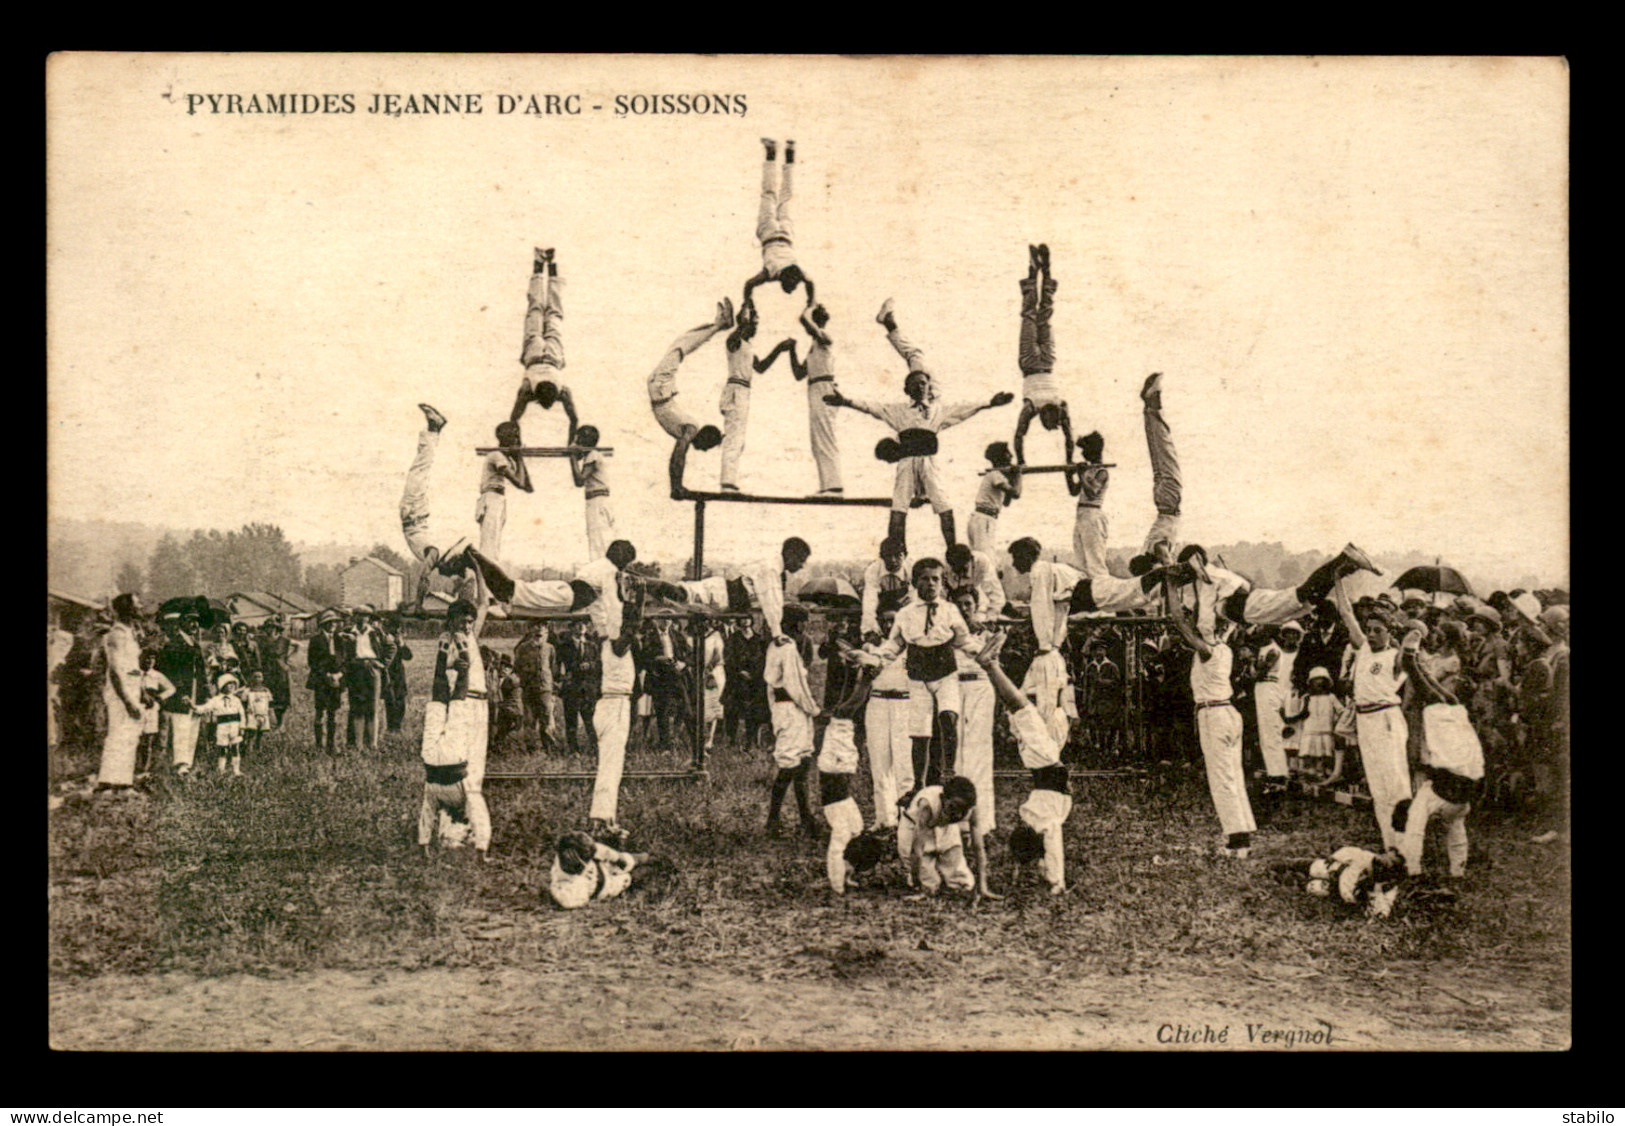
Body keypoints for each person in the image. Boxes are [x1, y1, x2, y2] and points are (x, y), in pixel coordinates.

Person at [824, 306, 1014, 546]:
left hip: (929, 463)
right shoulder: (899, 411)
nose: (920, 387)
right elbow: (871, 407)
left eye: (923, 383)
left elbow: (963, 409)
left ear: (928, 386)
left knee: (944, 505)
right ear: (907, 390)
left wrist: (989, 403)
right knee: (899, 506)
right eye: (915, 384)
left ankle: (952, 550)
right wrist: (845, 401)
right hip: (907, 462)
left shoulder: (937, 409)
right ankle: (897, 550)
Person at [853, 558, 987, 797]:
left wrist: (980, 652)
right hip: (918, 674)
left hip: (945, 671)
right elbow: (895, 643)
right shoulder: (905, 614)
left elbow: (963, 639)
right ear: (914, 583)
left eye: (936, 578)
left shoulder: (949, 610)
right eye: (924, 579)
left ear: (942, 582)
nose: (931, 584)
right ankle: (918, 782)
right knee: (920, 731)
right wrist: (878, 660)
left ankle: (949, 771)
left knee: (948, 717)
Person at [976, 632, 1073, 895]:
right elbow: (1049, 850)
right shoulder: (1036, 818)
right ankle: (992, 664)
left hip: (1044, 761)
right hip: (1044, 760)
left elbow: (1052, 849)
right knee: (1025, 708)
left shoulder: (1040, 820)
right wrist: (1052, 879)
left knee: (1022, 710)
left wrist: (1055, 880)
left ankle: (991, 665)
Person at [1168, 594, 1256, 858]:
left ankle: (1237, 841)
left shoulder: (1208, 651)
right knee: (1233, 775)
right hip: (1227, 712)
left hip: (1215, 714)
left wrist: (1172, 587)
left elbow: (1178, 621)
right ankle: (1243, 833)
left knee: (1222, 778)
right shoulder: (1224, 648)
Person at [1394, 625, 1485, 879]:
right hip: (1466, 792)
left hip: (1447, 789)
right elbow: (1433, 685)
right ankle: (1458, 870)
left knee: (1416, 819)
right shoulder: (1457, 705)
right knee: (1456, 827)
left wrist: (1412, 660)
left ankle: (1412, 868)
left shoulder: (1442, 709)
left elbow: (1424, 685)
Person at [418, 566, 494, 860]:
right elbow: (445, 682)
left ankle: (467, 828)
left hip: (481, 705)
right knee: (462, 769)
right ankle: (451, 831)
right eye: (461, 621)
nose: (467, 625)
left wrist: (477, 569)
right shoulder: (448, 641)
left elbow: (483, 602)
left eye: (469, 622)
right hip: (460, 706)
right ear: (451, 621)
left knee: (477, 768)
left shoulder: (471, 634)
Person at [1332, 578, 1412, 850]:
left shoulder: (1397, 657)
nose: (1372, 634)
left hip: (1386, 718)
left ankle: (1407, 846)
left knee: (1396, 784)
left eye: (1378, 630)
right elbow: (1346, 613)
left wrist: (1410, 636)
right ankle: (1390, 845)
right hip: (1365, 721)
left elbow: (1413, 639)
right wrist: (1338, 579)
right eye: (1369, 630)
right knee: (1378, 787)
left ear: (1390, 632)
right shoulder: (1364, 648)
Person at [651, 537, 811, 646]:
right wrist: (777, 633)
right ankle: (643, 583)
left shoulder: (777, 570)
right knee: (679, 594)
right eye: (800, 560)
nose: (802, 565)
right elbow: (771, 601)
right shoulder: (771, 569)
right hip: (719, 594)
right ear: (790, 555)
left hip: (722, 601)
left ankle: (646, 585)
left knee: (677, 596)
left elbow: (773, 602)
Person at [647, 299, 733, 496]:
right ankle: (720, 324)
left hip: (661, 390)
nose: (702, 452)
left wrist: (676, 486)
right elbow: (678, 455)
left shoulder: (687, 430)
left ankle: (720, 324)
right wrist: (676, 486)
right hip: (661, 389)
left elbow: (678, 454)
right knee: (681, 346)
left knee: (681, 346)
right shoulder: (690, 428)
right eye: (707, 448)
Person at [948, 584, 999, 897]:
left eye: (969, 603)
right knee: (956, 754)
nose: (965, 609)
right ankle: (960, 821)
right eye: (960, 604)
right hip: (955, 687)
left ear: (975, 605)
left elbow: (993, 657)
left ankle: (983, 823)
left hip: (980, 687)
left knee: (979, 754)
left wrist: (986, 631)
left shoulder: (986, 631)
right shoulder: (949, 631)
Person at [718, 303, 800, 493]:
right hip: (736, 390)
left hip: (743, 391)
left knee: (738, 438)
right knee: (734, 437)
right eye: (754, 324)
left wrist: (779, 349)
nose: (756, 328)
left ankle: (729, 480)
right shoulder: (734, 341)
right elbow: (734, 337)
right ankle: (727, 482)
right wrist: (744, 320)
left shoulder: (747, 346)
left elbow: (761, 367)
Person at [1010, 243, 1076, 465]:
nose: (1049, 425)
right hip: (1040, 362)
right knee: (1037, 316)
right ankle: (1042, 272)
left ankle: (1036, 271)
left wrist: (1021, 461)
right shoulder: (1044, 407)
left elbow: (1021, 435)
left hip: (1039, 362)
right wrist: (1069, 460)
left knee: (1035, 316)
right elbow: (1069, 438)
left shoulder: (1042, 407)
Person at [764, 604, 823, 838]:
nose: (804, 627)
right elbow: (794, 685)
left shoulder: (781, 645)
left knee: (802, 763)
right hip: (790, 708)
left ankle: (806, 818)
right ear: (794, 624)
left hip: (790, 709)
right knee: (789, 765)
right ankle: (773, 820)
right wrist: (814, 709)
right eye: (802, 622)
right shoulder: (786, 647)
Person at [740, 137, 813, 311]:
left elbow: (810, 283)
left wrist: (811, 301)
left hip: (786, 234)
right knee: (769, 194)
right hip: (769, 234)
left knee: (786, 196)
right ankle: (771, 154)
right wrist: (747, 302)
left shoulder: (798, 270)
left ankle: (789, 155)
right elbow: (748, 284)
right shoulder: (771, 273)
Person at [862, 593, 913, 828]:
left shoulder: (911, 647)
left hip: (904, 704)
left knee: (905, 763)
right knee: (880, 762)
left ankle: (907, 819)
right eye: (885, 621)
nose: (889, 625)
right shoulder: (871, 647)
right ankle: (884, 819)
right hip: (878, 704)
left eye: (893, 620)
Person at [899, 776, 984, 899]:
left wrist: (983, 886)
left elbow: (979, 848)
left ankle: (950, 880)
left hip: (945, 826)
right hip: (914, 826)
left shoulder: (970, 808)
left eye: (963, 810)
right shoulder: (927, 805)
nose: (959, 814)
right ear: (943, 799)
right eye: (954, 807)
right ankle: (921, 881)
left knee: (963, 881)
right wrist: (918, 885)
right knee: (930, 886)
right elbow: (916, 850)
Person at [96, 593, 146, 795]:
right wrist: (127, 700)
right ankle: (109, 783)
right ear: (127, 609)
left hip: (132, 687)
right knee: (118, 734)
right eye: (137, 604)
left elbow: (133, 666)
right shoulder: (116, 634)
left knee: (129, 735)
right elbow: (115, 670)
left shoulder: (129, 632)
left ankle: (123, 782)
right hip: (120, 691)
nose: (140, 606)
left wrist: (141, 692)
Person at [793, 302, 844, 496]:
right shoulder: (813, 347)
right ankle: (828, 486)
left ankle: (834, 486)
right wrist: (791, 350)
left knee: (825, 436)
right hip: (815, 389)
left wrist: (808, 305)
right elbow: (799, 373)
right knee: (818, 440)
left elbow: (803, 319)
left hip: (823, 388)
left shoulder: (825, 338)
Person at [511, 246, 566, 423]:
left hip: (553, 357)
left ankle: (549, 266)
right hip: (535, 355)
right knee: (537, 311)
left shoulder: (562, 391)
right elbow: (514, 417)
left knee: (552, 313)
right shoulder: (528, 390)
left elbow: (514, 418)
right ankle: (544, 266)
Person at [1278, 846, 1406, 918]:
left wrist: (1380, 910)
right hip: (1336, 872)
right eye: (1380, 861)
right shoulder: (1367, 858)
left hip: (1340, 891)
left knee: (1314, 887)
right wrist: (1334, 858)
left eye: (1385, 867)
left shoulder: (1385, 887)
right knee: (1313, 866)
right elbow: (1349, 851)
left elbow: (1384, 907)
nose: (1379, 865)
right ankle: (1284, 865)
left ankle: (1292, 881)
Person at [548, 830, 662, 910]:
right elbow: (577, 901)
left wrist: (618, 857)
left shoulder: (572, 850)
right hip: (607, 885)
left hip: (602, 866)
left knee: (640, 858)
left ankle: (663, 859)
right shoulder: (566, 889)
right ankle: (664, 872)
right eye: (586, 859)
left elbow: (597, 849)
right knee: (639, 875)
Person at [476, 421, 534, 564]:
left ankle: (489, 578)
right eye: (514, 437)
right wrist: (519, 457)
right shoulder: (496, 455)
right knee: (489, 545)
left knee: (494, 544)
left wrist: (517, 457)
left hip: (498, 499)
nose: (516, 441)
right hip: (491, 498)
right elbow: (519, 483)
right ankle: (485, 579)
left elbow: (528, 487)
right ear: (505, 438)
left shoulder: (506, 458)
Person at [157, 613, 209, 773]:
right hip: (182, 690)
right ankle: (180, 763)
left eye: (196, 622)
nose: (194, 625)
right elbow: (169, 672)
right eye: (190, 621)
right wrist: (180, 692)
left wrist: (205, 690)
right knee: (181, 725)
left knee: (194, 723)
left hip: (196, 688)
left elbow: (201, 670)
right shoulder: (174, 644)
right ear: (181, 624)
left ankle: (188, 762)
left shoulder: (194, 644)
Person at [344, 606, 393, 752]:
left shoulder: (376, 632)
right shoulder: (348, 632)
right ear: (354, 617)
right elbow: (340, 649)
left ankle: (373, 744)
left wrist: (383, 663)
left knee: (372, 708)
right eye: (358, 615)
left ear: (368, 618)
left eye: (365, 616)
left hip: (373, 668)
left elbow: (391, 646)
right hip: (356, 669)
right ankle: (358, 745)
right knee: (357, 708)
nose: (361, 619)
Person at [569, 423, 616, 560]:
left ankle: (600, 577)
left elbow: (579, 481)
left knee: (597, 542)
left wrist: (572, 457)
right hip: (599, 501)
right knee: (599, 540)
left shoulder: (593, 455)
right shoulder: (594, 455)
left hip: (597, 502)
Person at [968, 442, 1022, 555]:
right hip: (984, 519)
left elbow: (1007, 502)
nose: (1011, 456)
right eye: (1008, 453)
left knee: (983, 556)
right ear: (1000, 457)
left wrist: (1012, 480)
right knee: (985, 557)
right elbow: (1016, 494)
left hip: (985, 519)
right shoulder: (994, 475)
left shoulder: (998, 476)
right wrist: (1018, 475)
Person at [555, 622, 600, 757]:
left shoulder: (592, 645)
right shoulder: (564, 646)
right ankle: (574, 750)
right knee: (571, 721)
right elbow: (556, 665)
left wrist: (590, 665)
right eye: (577, 624)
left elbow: (599, 664)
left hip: (588, 689)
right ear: (571, 627)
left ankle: (595, 749)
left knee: (591, 721)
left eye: (584, 624)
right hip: (571, 688)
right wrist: (562, 678)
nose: (581, 627)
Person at [306, 610, 347, 755]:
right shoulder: (316, 640)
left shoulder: (340, 640)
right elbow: (313, 662)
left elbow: (345, 660)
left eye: (335, 622)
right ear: (323, 625)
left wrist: (340, 674)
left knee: (333, 712)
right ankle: (319, 745)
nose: (333, 625)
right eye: (329, 623)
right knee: (320, 711)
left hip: (337, 679)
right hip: (321, 680)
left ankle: (331, 744)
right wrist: (326, 675)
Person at [514, 620, 557, 752]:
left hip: (545, 689)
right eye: (536, 627)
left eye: (543, 628)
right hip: (529, 688)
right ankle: (531, 749)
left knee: (546, 718)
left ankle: (548, 748)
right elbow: (517, 667)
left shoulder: (550, 648)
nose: (539, 630)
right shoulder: (523, 648)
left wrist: (550, 683)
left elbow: (553, 667)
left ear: (546, 632)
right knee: (530, 719)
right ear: (530, 630)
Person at [860, 536, 912, 642]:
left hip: (904, 603)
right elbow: (870, 599)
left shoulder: (911, 569)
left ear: (905, 556)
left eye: (898, 556)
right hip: (881, 604)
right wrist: (870, 629)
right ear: (882, 557)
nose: (893, 560)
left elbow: (914, 597)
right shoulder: (873, 570)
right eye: (888, 556)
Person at [195, 672, 247, 777]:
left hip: (234, 726)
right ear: (222, 686)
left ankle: (236, 770)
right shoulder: (216, 700)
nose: (231, 686)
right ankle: (221, 770)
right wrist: (192, 706)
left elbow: (242, 714)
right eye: (229, 684)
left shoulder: (236, 700)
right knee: (223, 749)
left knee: (235, 748)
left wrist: (242, 727)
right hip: (222, 726)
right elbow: (204, 708)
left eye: (233, 684)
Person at [945, 543, 1005, 627]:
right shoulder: (945, 568)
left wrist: (990, 619)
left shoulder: (982, 562)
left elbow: (996, 596)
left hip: (976, 604)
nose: (961, 574)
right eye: (957, 571)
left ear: (971, 560)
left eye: (964, 569)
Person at [136, 648, 174, 777]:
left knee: (148, 739)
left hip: (151, 710)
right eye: (147, 658)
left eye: (152, 658)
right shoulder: (134, 673)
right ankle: (133, 766)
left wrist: (159, 698)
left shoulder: (157, 675)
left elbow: (171, 689)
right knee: (135, 738)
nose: (149, 661)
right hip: (136, 707)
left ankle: (144, 769)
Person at [257, 617, 295, 727]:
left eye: (272, 627)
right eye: (267, 627)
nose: (269, 630)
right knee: (266, 695)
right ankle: (265, 722)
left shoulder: (284, 640)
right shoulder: (261, 640)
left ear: (276, 628)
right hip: (266, 670)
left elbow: (297, 646)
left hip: (279, 670)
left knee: (281, 697)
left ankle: (280, 723)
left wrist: (287, 660)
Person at [381, 613, 412, 734]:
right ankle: (391, 727)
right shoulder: (384, 638)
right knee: (390, 700)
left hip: (398, 672)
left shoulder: (398, 640)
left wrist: (401, 644)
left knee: (400, 700)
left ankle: (396, 726)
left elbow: (408, 656)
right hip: (388, 671)